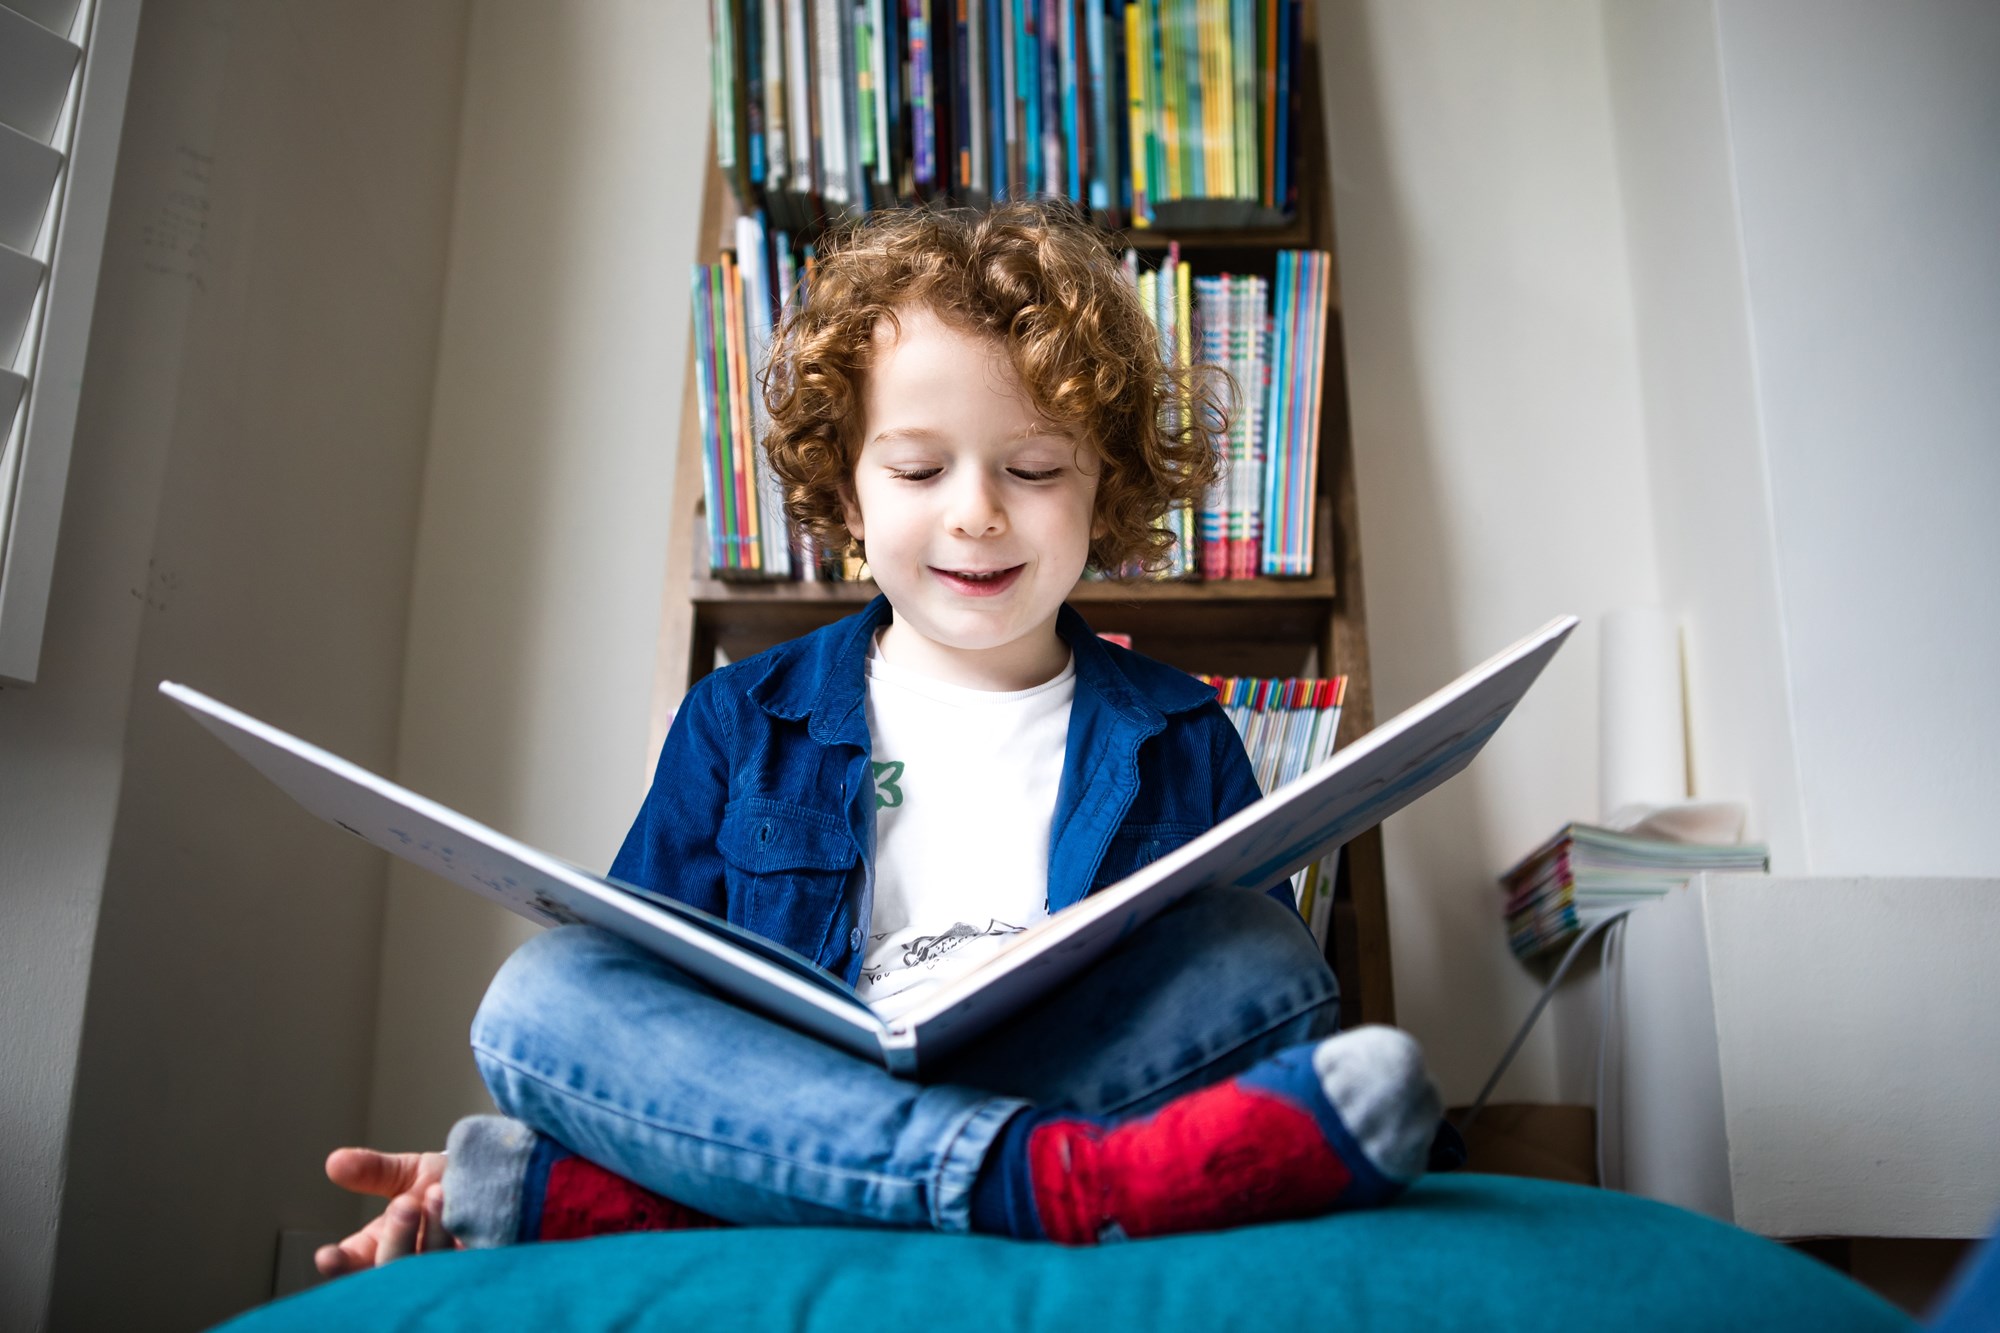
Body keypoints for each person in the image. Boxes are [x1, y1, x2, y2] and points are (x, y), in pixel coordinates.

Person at [316, 200, 1452, 1276]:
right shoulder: (738, 718)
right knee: (539, 996)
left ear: (1103, 487)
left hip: (1062, 1074)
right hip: (810, 1095)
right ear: (847, 495)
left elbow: (1230, 1012)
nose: (975, 511)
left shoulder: (1182, 732)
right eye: (917, 468)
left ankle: (759, 1199)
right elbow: (646, 991)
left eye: (1035, 467)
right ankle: (1040, 1186)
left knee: (1268, 962)